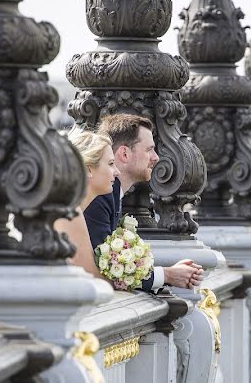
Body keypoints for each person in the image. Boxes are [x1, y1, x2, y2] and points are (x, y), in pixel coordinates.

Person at [85, 113, 202, 290]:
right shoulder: (101, 197)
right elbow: (102, 270)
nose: (156, 157)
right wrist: (168, 275)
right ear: (124, 153)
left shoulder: (112, 194)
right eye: (149, 149)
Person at [55, 127, 121, 278]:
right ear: (88, 169)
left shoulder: (70, 207)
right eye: (111, 164)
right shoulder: (70, 211)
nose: (117, 172)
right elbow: (91, 276)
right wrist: (128, 281)